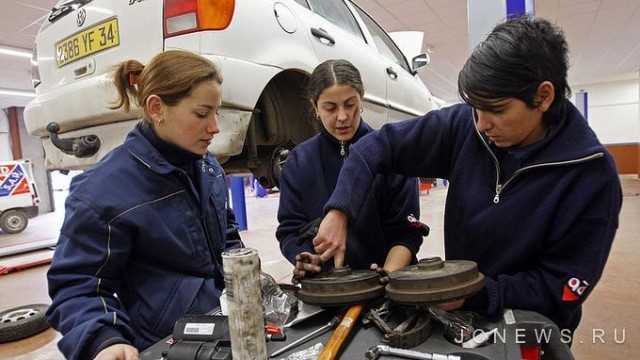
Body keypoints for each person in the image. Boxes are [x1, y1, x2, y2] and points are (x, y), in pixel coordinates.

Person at [311, 16, 623, 335]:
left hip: (530, 329)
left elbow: (561, 287)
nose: (483, 124)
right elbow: (375, 148)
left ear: (543, 97)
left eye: (496, 109)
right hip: (462, 321)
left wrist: (476, 293)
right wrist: (340, 210)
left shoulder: (589, 175)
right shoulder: (465, 127)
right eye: (475, 107)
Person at [46, 50, 244, 360]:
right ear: (156, 108)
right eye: (202, 113)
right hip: (165, 344)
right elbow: (76, 287)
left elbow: (227, 236)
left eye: (217, 112)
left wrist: (248, 281)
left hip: (224, 329)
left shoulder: (207, 167)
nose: (215, 127)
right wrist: (104, 338)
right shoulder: (103, 191)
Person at [276, 59, 424, 279]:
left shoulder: (392, 154)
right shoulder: (298, 162)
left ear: (361, 98)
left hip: (390, 285)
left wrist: (387, 277)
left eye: (350, 104)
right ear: (314, 106)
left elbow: (406, 233)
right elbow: (290, 231)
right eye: (330, 108)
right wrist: (306, 257)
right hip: (327, 289)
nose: (343, 117)